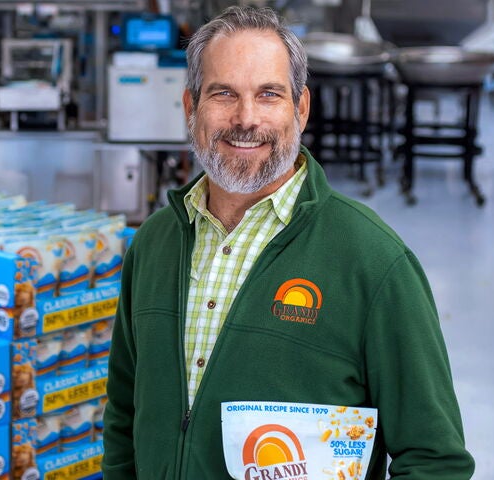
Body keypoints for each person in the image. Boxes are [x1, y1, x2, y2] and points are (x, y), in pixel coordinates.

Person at [102, 5, 474, 480]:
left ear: (300, 108)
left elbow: (435, 459)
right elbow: (124, 415)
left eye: (269, 95)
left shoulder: (373, 261)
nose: (246, 118)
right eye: (223, 94)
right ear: (191, 107)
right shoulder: (154, 244)